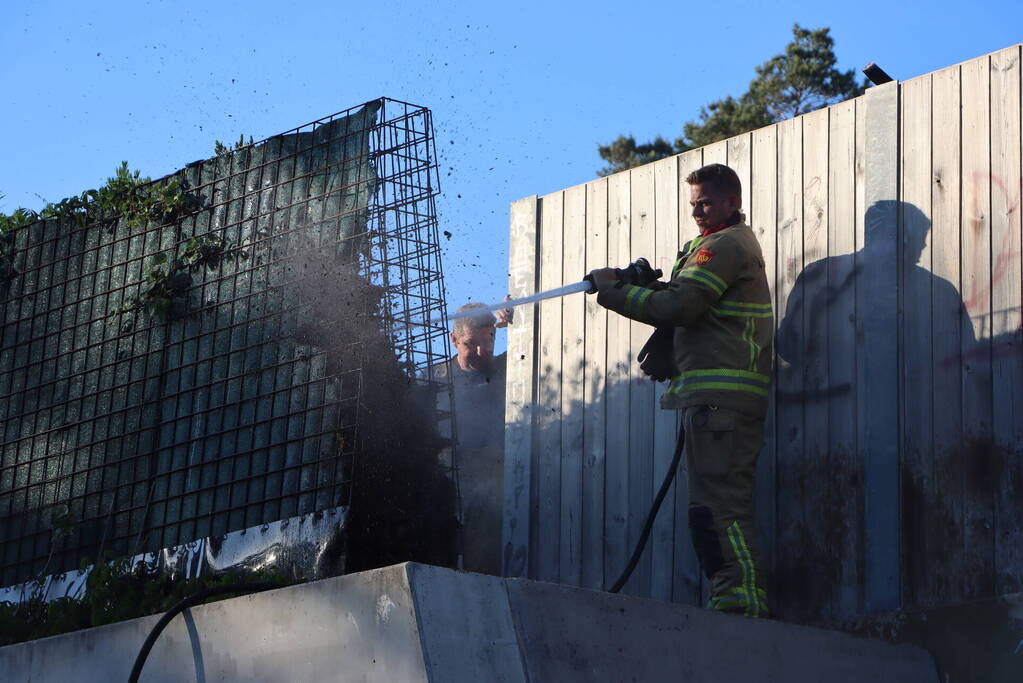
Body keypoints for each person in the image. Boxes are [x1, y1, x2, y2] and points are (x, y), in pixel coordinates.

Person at [588, 163, 773, 618]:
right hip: (715, 401)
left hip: (721, 402)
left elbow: (685, 306)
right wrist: (648, 286)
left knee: (718, 510)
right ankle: (733, 600)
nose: (698, 211)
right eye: (693, 204)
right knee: (710, 509)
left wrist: (614, 293)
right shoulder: (711, 245)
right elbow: (690, 302)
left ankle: (741, 607)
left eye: (706, 202)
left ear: (733, 201)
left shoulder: (724, 245)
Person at [428, 301, 512, 575]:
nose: (480, 352)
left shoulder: (508, 371)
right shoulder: (434, 380)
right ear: (454, 340)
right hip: (445, 490)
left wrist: (519, 321)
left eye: (487, 342)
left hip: (490, 495)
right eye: (469, 343)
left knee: (483, 567)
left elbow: (543, 341)